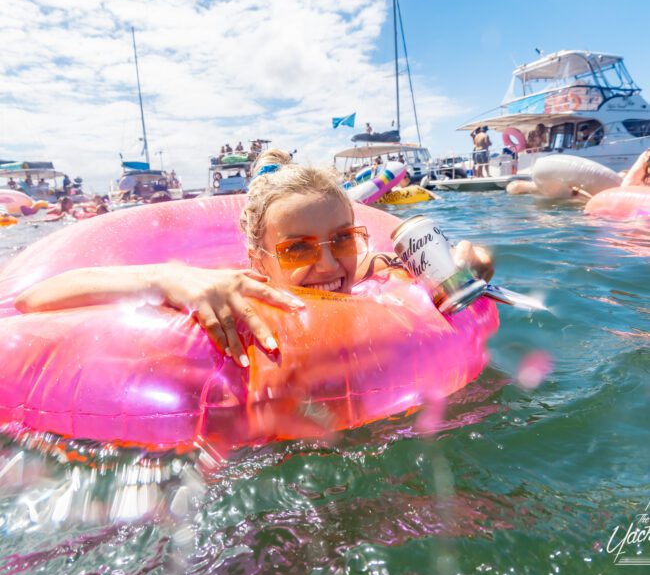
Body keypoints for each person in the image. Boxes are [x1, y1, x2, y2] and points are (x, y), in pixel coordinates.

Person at [15, 150, 493, 373]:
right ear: (260, 260)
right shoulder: (233, 286)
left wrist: (470, 260)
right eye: (298, 248)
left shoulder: (371, 273)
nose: (328, 264)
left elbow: (392, 261)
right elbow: (37, 298)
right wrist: (170, 278)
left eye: (342, 239)